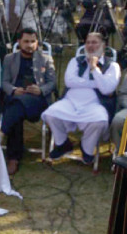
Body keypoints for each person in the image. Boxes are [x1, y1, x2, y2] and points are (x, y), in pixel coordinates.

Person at [43, 32, 121, 164]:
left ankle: (86, 147)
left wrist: (94, 69)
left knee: (100, 121)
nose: (90, 45)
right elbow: (69, 81)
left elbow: (108, 89)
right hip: (70, 101)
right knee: (50, 114)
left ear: (103, 45)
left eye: (94, 42)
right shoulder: (75, 61)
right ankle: (63, 144)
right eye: (88, 42)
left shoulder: (113, 66)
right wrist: (96, 84)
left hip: (96, 105)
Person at [0, 28, 56, 175]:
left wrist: (41, 89)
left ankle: (5, 142)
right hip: (15, 97)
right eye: (26, 41)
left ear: (37, 42)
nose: (30, 45)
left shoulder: (46, 59)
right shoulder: (9, 59)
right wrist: (13, 90)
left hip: (37, 101)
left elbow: (52, 83)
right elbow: (4, 81)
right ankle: (13, 158)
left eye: (33, 41)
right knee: (16, 108)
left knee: (15, 106)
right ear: (19, 42)